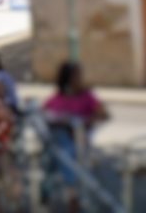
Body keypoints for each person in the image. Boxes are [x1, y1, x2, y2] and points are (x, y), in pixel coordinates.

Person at [42, 61, 108, 209]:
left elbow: (103, 114)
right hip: (59, 142)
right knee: (57, 148)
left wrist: (84, 121)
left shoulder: (86, 96)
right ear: (67, 78)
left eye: (79, 75)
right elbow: (43, 115)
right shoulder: (57, 98)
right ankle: (66, 194)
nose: (79, 79)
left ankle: (66, 194)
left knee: (61, 152)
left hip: (78, 141)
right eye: (75, 76)